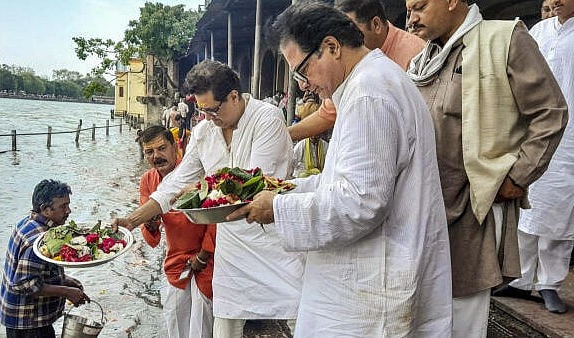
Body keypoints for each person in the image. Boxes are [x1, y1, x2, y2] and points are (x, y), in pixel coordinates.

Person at [230, 2, 452, 336]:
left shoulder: (368, 94)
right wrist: (287, 189)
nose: (303, 85)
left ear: (332, 47)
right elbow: (345, 181)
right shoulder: (370, 82)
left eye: (302, 70)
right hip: (375, 276)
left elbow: (360, 203)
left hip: (372, 287)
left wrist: (275, 207)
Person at [405, 0, 568, 336]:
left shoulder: (504, 39)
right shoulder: (422, 60)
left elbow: (551, 113)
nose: (412, 19)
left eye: (419, 7)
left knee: (461, 319)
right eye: (408, 10)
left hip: (471, 210)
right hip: (422, 208)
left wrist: (518, 175)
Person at [112, 60, 304, 338]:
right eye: (203, 112)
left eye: (213, 110)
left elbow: (253, 184)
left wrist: (198, 195)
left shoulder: (267, 118)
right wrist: (133, 220)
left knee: (296, 313)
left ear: (234, 97)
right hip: (231, 247)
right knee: (225, 324)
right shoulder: (204, 131)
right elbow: (176, 182)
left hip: (271, 240)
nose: (209, 118)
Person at [493, 0, 574, 314]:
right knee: (529, 209)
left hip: (570, 142)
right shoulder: (538, 31)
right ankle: (523, 279)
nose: (553, 1)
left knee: (560, 213)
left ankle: (550, 283)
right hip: (534, 132)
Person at [288, 0, 426, 142]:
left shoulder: (415, 53)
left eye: (351, 31)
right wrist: (285, 134)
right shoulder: (353, 67)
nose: (342, 43)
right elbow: (328, 113)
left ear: (376, 25)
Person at [139, 125, 216, 336]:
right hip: (176, 260)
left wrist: (202, 256)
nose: (157, 156)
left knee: (202, 325)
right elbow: (151, 238)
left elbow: (215, 219)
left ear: (176, 147)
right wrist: (150, 223)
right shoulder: (148, 180)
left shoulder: (196, 171)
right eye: (149, 152)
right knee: (174, 320)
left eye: (162, 148)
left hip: (208, 258)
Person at [0, 179, 90, 337]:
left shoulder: (28, 222)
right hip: (27, 323)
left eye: (68, 204)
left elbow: (33, 272)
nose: (69, 211)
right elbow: (24, 284)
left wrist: (64, 279)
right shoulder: (38, 240)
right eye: (63, 206)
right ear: (45, 210)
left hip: (23, 319)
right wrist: (67, 292)